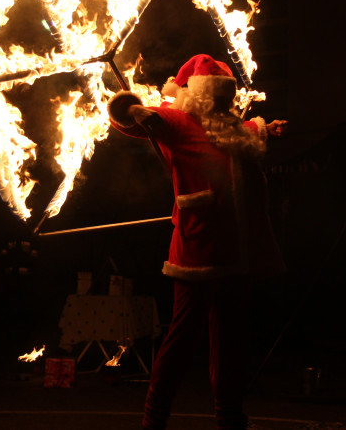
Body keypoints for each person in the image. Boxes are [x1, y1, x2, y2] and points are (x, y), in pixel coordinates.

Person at [108, 54, 287, 430]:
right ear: (199, 95)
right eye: (216, 94)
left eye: (227, 96)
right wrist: (127, 108)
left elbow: (250, 136)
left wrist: (268, 128)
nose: (222, 102)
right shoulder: (175, 119)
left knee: (232, 340)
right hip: (197, 248)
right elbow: (133, 122)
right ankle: (153, 418)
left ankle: (230, 418)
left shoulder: (233, 127)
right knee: (183, 336)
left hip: (237, 252)